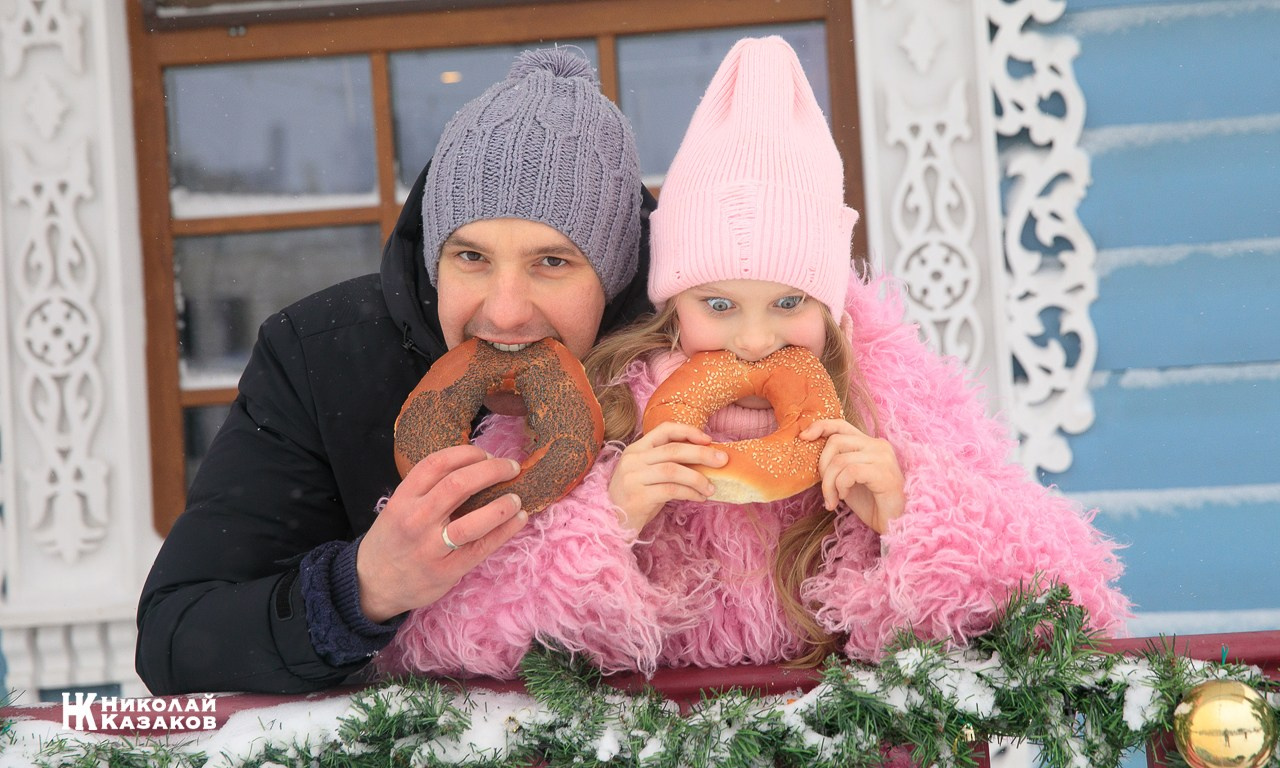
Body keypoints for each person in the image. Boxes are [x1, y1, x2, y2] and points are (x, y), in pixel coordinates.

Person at [379, 37, 1129, 680]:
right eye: (719, 304)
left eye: (789, 303)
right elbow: (446, 639)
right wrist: (606, 520)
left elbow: (1076, 599)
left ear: (830, 305)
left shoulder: (889, 397)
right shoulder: (597, 406)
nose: (753, 341)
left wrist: (910, 513)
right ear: (671, 305)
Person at [135, 47, 654, 694]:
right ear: (437, 258)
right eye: (471, 256)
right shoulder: (322, 360)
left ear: (617, 275)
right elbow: (174, 639)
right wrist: (364, 587)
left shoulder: (686, 357)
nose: (506, 309)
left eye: (552, 262)